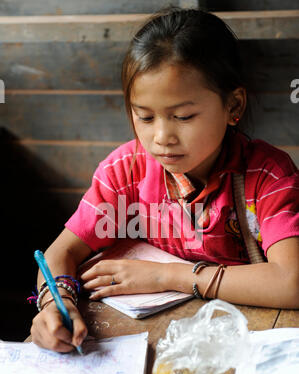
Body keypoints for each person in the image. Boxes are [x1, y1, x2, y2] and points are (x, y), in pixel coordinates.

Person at [30, 7, 299, 352]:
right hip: (160, 345)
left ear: (234, 105)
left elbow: (291, 281)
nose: (162, 137)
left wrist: (166, 275)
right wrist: (56, 303)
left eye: (183, 116)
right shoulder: (126, 171)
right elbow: (60, 253)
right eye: (144, 116)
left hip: (250, 346)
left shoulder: (267, 176)